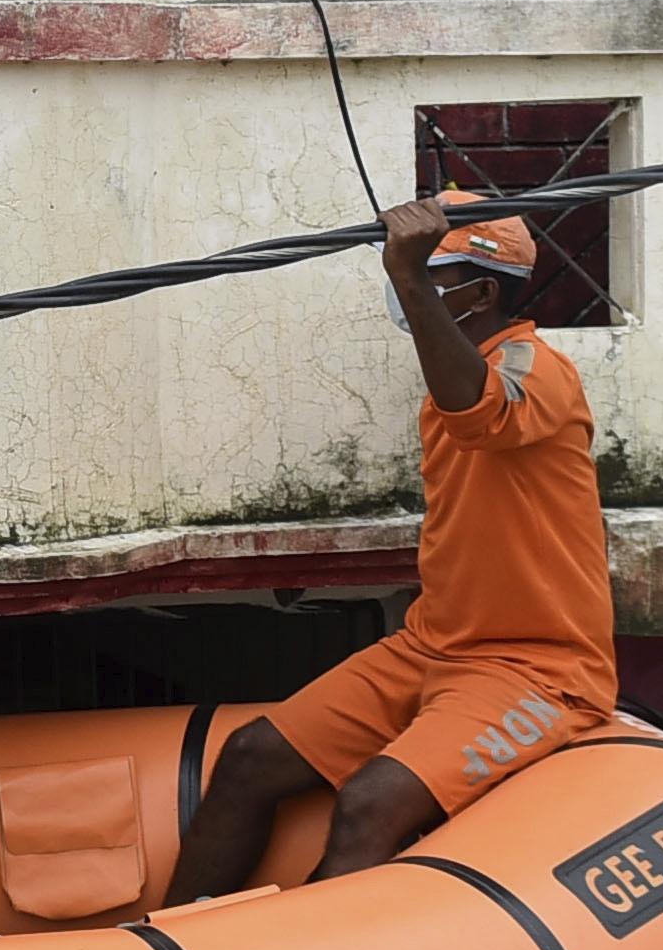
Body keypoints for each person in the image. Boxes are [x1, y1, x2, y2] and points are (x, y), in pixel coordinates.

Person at [169, 198, 614, 899]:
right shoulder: (458, 373)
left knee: (371, 803)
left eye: (432, 280)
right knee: (250, 756)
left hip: (537, 669)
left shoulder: (537, 369)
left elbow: (481, 415)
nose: (408, 292)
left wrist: (408, 273)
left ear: (482, 294)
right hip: (433, 646)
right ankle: (169, 948)